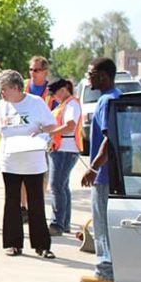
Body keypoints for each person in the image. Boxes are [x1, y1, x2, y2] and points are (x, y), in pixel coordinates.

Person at [0, 70, 57, 258]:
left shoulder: (36, 103)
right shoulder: (1, 106)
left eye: (4, 89)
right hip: (10, 162)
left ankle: (42, 245)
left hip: (33, 162)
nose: (1, 93)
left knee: (36, 203)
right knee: (12, 202)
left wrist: (42, 132)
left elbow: (52, 126)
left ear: (15, 87)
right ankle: (13, 244)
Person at [80, 57, 121, 282]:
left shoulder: (106, 100)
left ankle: (105, 270)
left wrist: (94, 168)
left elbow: (109, 138)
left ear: (103, 76)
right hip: (114, 173)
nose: (89, 77)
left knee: (102, 223)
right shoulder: (118, 96)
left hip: (104, 175)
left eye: (91, 73)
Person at [19, 55, 56, 223]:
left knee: (42, 177)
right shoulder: (23, 86)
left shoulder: (52, 91)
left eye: (37, 70)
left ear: (45, 72)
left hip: (45, 140)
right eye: (31, 69)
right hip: (24, 138)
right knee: (22, 176)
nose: (33, 73)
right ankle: (23, 208)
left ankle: (36, 207)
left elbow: (56, 117)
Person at [44, 78, 83, 236]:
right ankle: (64, 223)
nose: (53, 98)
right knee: (62, 187)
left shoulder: (71, 104)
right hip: (62, 149)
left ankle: (57, 224)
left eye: (54, 94)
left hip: (65, 150)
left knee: (56, 186)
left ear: (62, 90)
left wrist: (50, 133)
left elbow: (70, 126)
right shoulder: (65, 104)